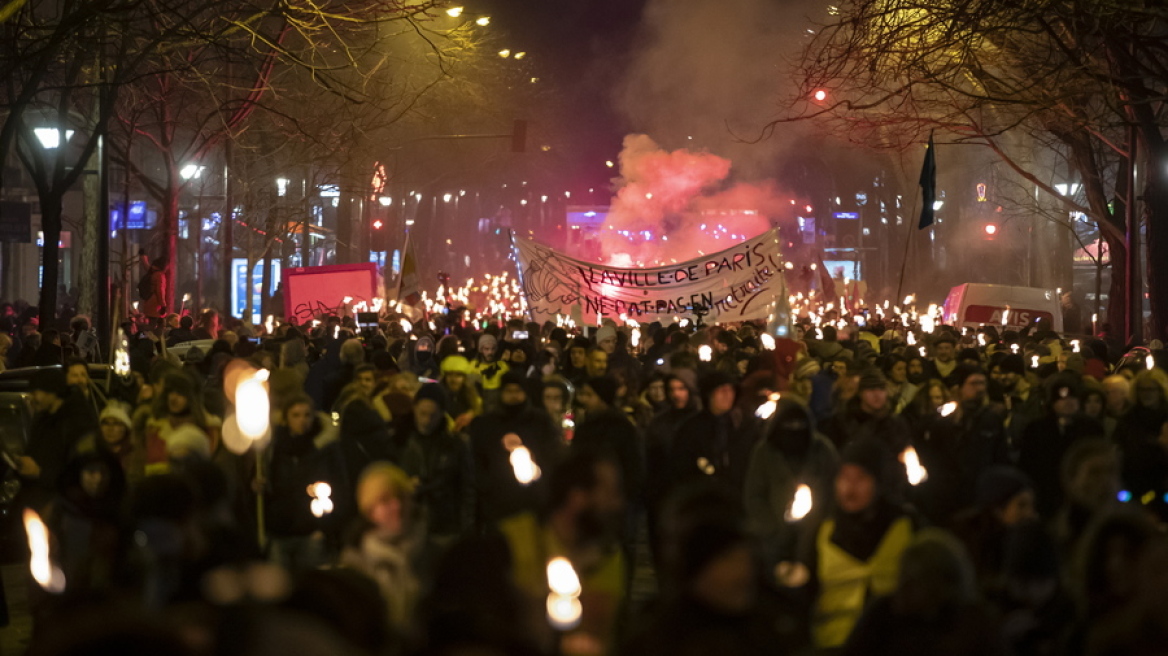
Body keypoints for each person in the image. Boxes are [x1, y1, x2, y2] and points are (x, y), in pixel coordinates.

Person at [496, 449, 627, 655]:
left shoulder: (608, 553)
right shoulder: (513, 540)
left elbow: (597, 623)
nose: (617, 503)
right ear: (577, 497)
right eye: (609, 493)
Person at [796, 438, 917, 651]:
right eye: (844, 477)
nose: (849, 487)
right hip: (833, 644)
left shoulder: (907, 526)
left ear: (880, 482)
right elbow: (804, 593)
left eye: (861, 478)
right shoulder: (822, 531)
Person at [843, 529, 1009, 656]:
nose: (902, 589)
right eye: (902, 579)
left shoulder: (972, 625)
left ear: (942, 585)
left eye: (913, 582)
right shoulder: (882, 615)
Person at [745, 397, 839, 564]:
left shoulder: (822, 450)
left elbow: (835, 491)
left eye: (799, 424)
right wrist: (772, 529)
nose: (794, 429)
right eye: (789, 425)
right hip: (774, 542)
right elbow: (755, 494)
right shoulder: (765, 452)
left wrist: (824, 528)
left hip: (817, 540)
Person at [340, 462, 426, 636]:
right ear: (370, 510)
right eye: (385, 500)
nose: (397, 506)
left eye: (401, 497)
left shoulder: (430, 552)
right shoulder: (355, 562)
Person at [468, 371, 562, 530]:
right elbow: (478, 458)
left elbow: (551, 455)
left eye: (517, 391)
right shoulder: (487, 423)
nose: (513, 396)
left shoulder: (540, 421)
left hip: (531, 500)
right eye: (509, 391)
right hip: (497, 500)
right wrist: (486, 488)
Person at [267, 394, 341, 572]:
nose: (302, 420)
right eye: (296, 415)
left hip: (311, 528)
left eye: (307, 415)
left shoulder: (322, 448)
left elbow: (337, 484)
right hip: (280, 528)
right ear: (286, 419)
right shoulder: (276, 449)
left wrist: (325, 527)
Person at [1017, 374, 1105, 518]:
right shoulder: (1036, 429)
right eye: (1061, 399)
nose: (1067, 403)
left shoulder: (1091, 427)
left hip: (1082, 497)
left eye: (1072, 398)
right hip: (1047, 498)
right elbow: (1028, 464)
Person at [668, 372, 758, 496]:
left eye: (730, 389)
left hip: (738, 498)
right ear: (709, 395)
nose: (727, 395)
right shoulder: (691, 428)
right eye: (721, 390)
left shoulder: (743, 424)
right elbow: (682, 468)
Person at [406, 384, 474, 545]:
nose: (427, 420)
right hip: (410, 527)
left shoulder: (455, 445)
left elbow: (468, 488)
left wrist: (466, 529)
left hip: (445, 526)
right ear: (414, 408)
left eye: (433, 415)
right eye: (423, 413)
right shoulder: (402, 441)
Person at [23, 369, 99, 502]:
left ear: (52, 392)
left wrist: (40, 473)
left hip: (67, 506)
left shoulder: (78, 423)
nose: (33, 398)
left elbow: (81, 472)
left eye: (36, 393)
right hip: (40, 501)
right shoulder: (42, 419)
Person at [138, 250, 169, 324]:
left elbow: (146, 265)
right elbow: (160, 291)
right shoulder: (160, 276)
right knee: (154, 326)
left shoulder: (152, 272)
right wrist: (163, 306)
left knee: (149, 324)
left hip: (148, 302)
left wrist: (143, 256)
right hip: (156, 306)